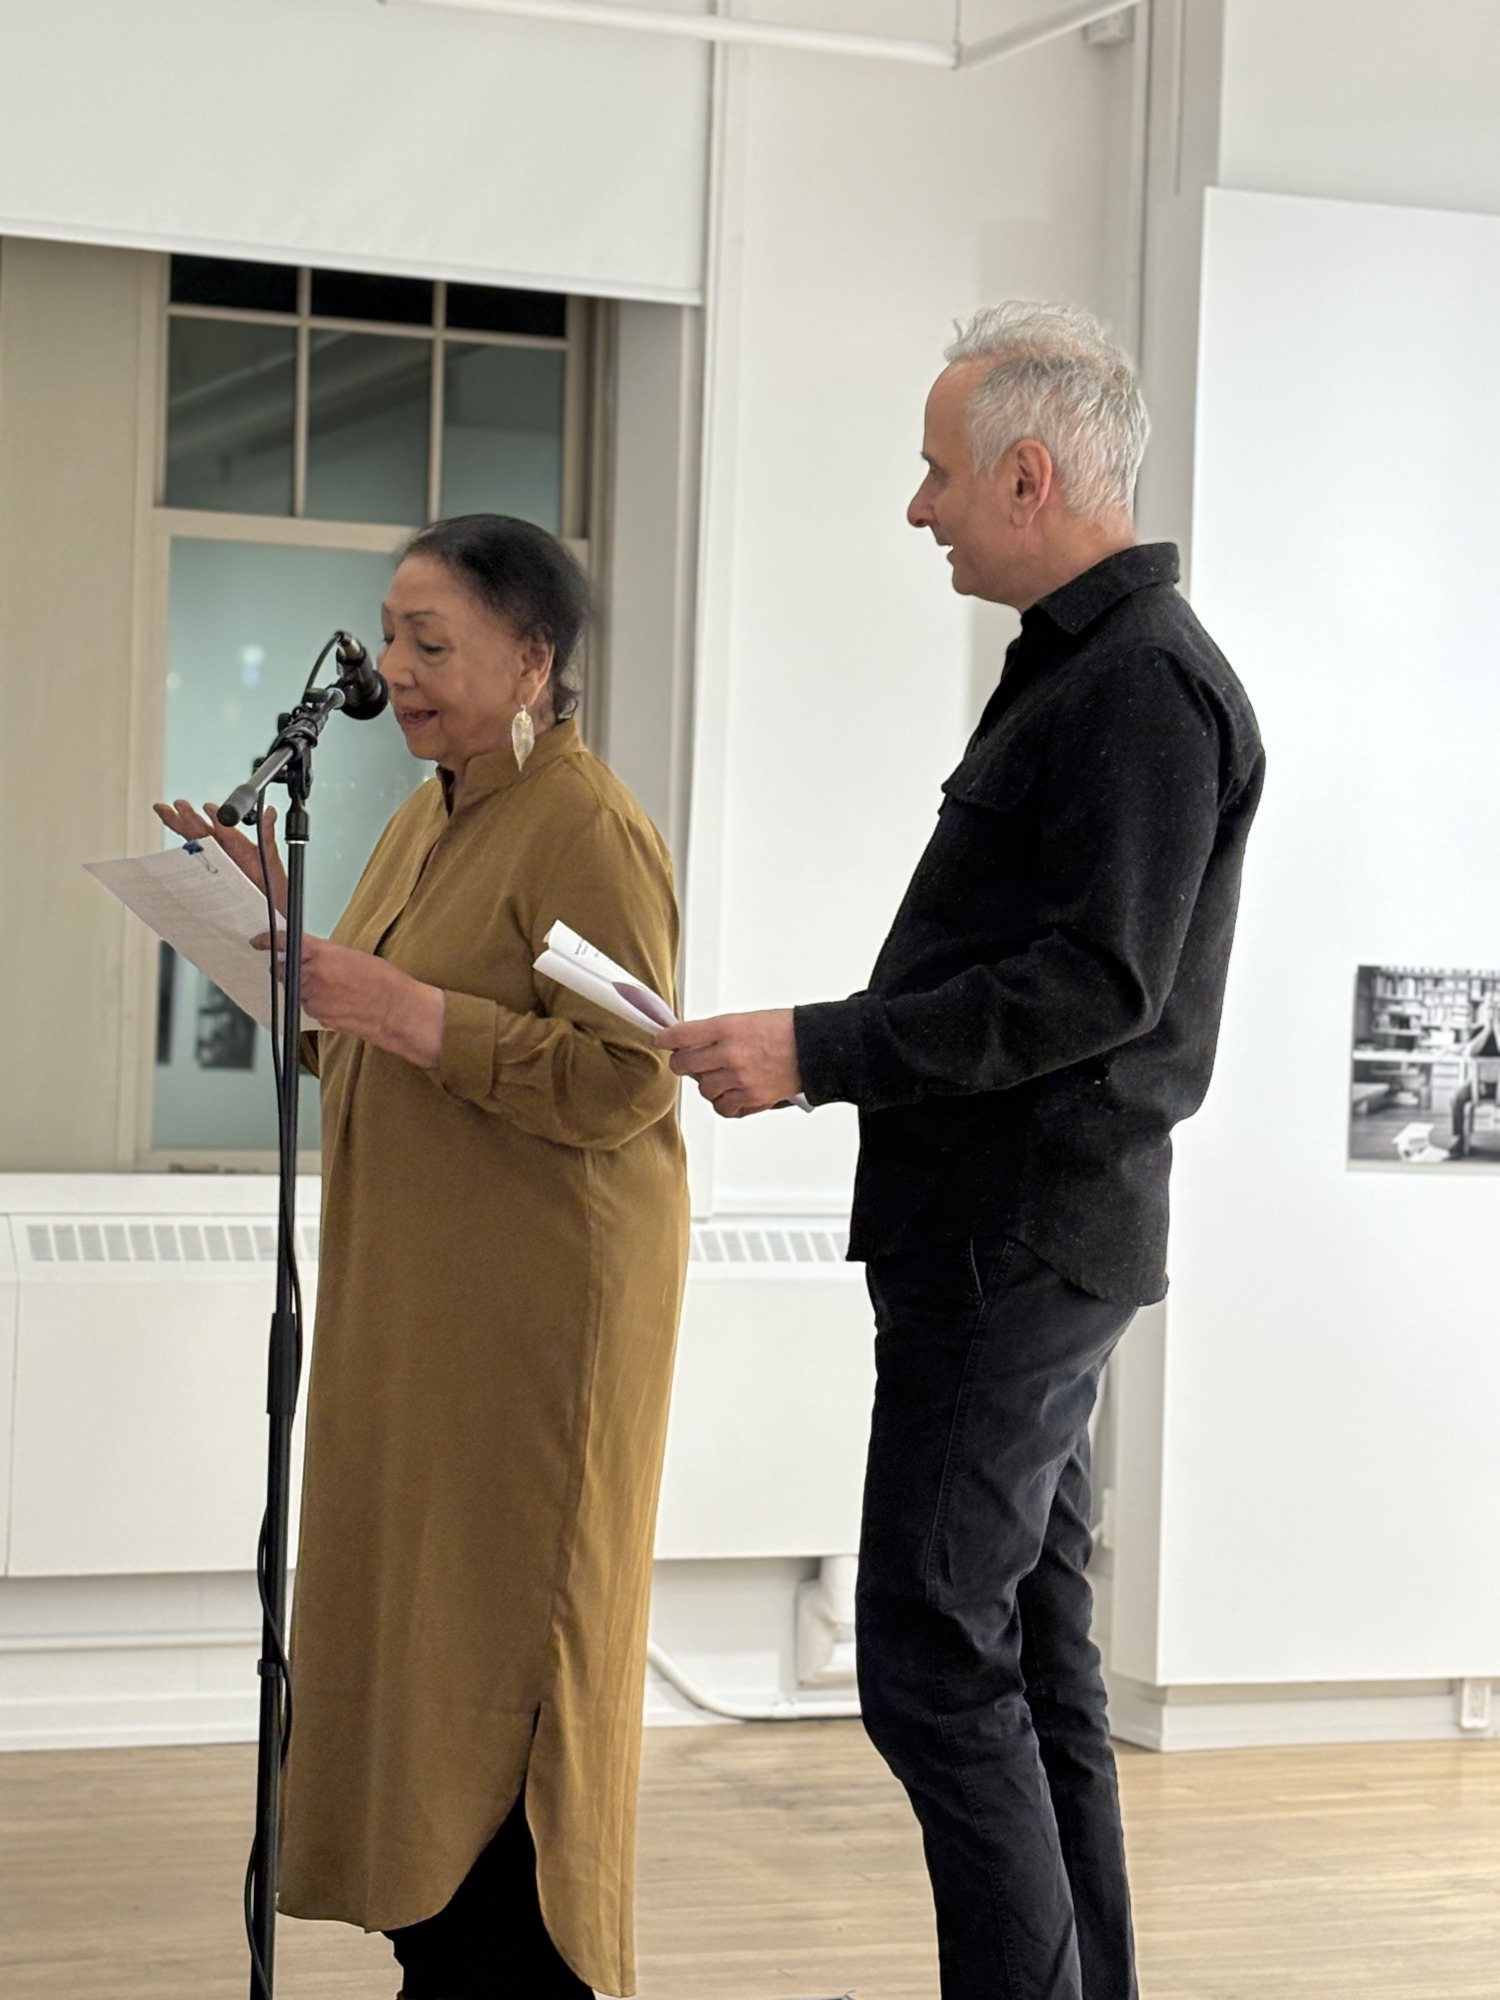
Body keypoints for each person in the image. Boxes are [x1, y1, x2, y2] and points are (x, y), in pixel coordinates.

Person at [660, 303, 1265, 2000]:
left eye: (937, 472)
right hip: (1011, 1236)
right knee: (1035, 1667)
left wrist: (819, 1051)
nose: (918, 505)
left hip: (1019, 1241)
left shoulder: (1142, 685)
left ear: (1026, 474)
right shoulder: (1089, 670)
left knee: (932, 1659)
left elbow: (1093, 985)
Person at [156, 515, 688, 2000]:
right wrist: (271, 940)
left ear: (532, 660)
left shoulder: (584, 825)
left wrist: (395, 1006)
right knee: (406, 1645)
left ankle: (506, 1960)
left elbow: (627, 1078)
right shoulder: (421, 816)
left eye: (430, 642)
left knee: (501, 1653)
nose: (392, 668)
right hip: (413, 1319)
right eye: (387, 636)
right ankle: (436, 1948)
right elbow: (361, 1039)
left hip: (532, 1336)